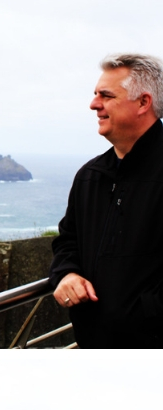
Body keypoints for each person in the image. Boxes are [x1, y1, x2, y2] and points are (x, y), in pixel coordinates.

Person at [51, 53, 163, 347]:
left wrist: (147, 314)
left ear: (143, 103)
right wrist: (66, 274)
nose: (94, 104)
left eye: (106, 95)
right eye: (95, 95)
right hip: (93, 350)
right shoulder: (89, 176)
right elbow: (68, 241)